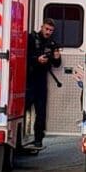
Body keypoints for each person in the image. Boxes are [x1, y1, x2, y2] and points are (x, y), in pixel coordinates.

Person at [27, 19, 61, 149]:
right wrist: (36, 59)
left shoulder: (52, 44)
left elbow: (56, 64)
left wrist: (57, 57)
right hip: (28, 80)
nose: (48, 32)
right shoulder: (31, 39)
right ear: (42, 27)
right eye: (46, 29)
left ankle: (38, 139)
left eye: (51, 30)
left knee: (41, 112)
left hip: (41, 81)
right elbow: (24, 56)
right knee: (23, 109)